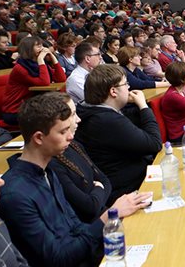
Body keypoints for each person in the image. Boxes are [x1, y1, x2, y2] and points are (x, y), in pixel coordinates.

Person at [0, 93, 108, 267]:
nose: (71, 136)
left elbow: (75, 227)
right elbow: (58, 260)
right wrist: (106, 220)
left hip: (83, 265)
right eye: (63, 131)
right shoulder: (15, 195)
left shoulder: (48, 171)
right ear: (39, 137)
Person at [49, 94, 151, 223]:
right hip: (97, 225)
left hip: (106, 214)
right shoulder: (54, 164)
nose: (78, 119)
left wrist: (97, 189)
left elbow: (105, 180)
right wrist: (98, 188)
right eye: (73, 114)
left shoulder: (74, 146)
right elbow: (90, 207)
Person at [76, 64, 163, 204]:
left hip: (127, 178)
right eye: (125, 84)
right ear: (113, 91)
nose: (128, 88)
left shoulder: (92, 110)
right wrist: (143, 106)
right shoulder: (105, 120)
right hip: (127, 189)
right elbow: (154, 143)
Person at [1, 35, 67, 125]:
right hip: (15, 110)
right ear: (29, 49)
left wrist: (52, 57)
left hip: (32, 106)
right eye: (38, 46)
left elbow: (61, 79)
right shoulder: (19, 67)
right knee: (53, 117)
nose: (42, 48)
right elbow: (44, 82)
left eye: (42, 45)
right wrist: (40, 59)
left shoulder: (40, 64)